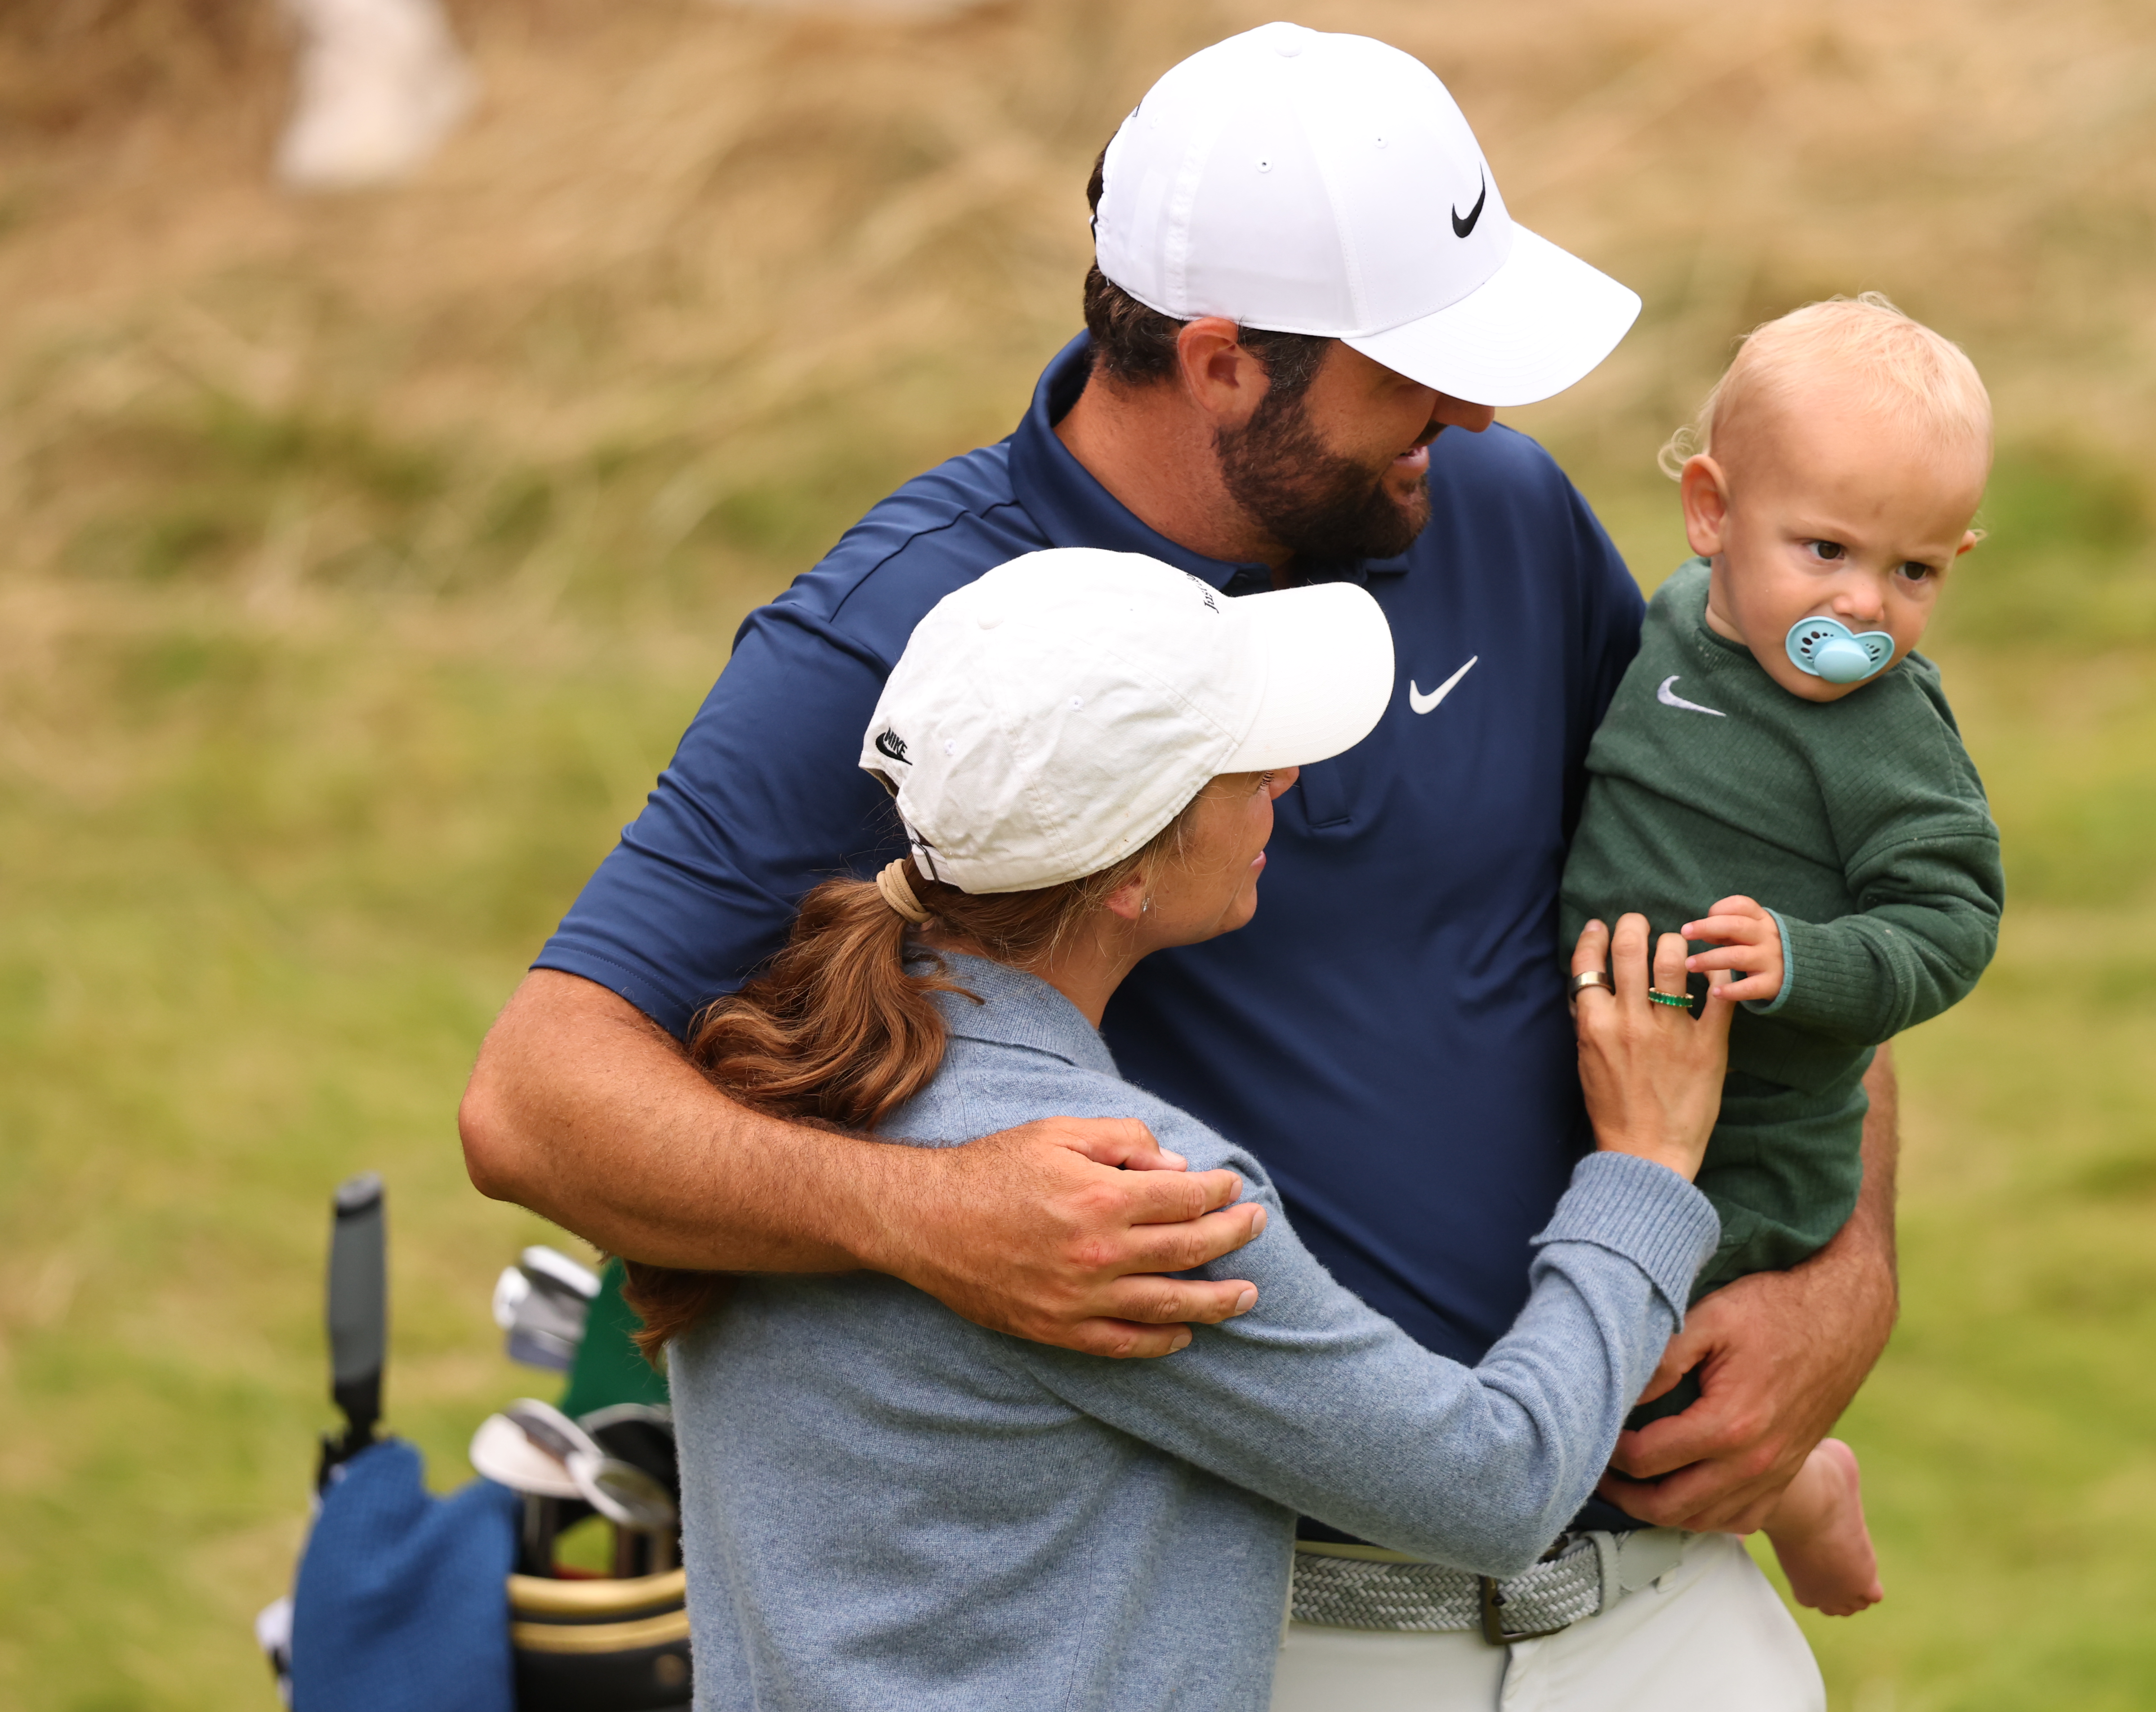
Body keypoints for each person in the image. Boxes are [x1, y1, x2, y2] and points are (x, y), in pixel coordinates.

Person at [459, 23, 1895, 1704]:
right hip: (1300, 1638)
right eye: (1410, 367)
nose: (1479, 405)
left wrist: (1841, 1280)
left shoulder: (1490, 506)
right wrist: (933, 1221)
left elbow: (1773, 876)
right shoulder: (907, 624)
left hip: (1670, 1605)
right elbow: (534, 1098)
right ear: (1222, 362)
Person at [638, 544, 1735, 1711]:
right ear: (1126, 875)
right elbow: (1499, 1485)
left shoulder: (768, 1087)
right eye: (1242, 765)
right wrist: (1645, 1165)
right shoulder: (1128, 1197)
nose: (1289, 774)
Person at [1559, 294, 2004, 1617]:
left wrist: (1803, 961)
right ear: (1712, 513)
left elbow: (1951, 922)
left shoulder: (1884, 730)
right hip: (1616, 1084)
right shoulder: (1672, 622)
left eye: (1915, 572)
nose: (1861, 608)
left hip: (1756, 1142)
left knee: (1638, 1384)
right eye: (1825, 550)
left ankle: (1805, 1486)